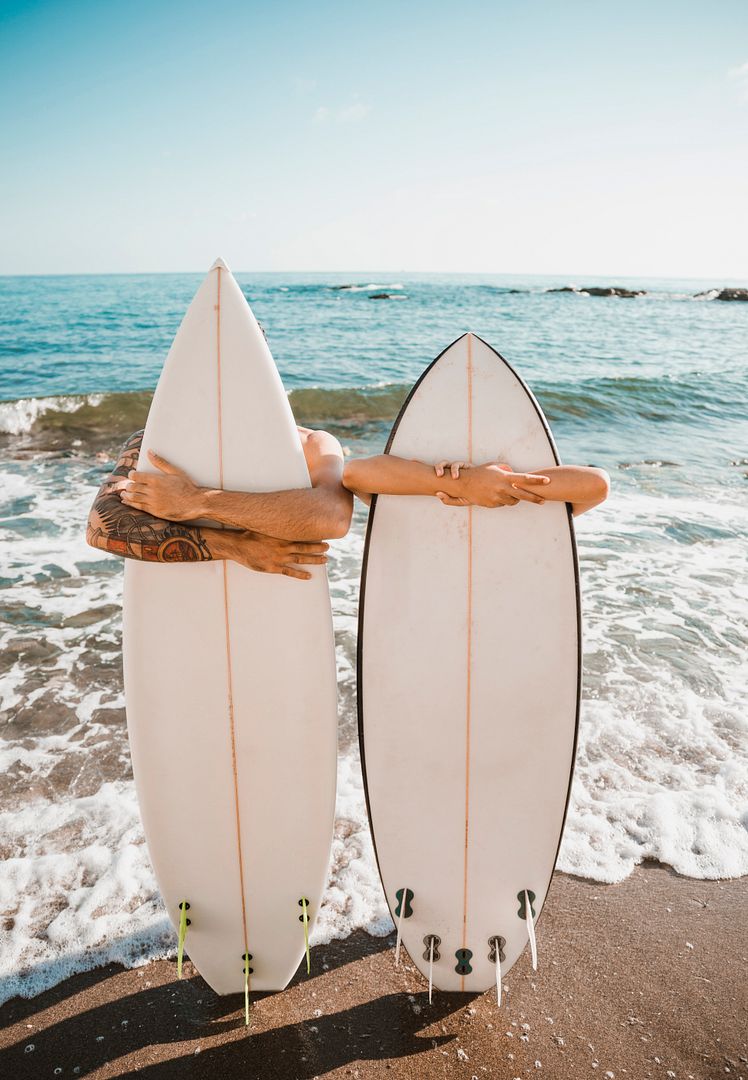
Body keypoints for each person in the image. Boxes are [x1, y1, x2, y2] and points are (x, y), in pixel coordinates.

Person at [86, 426, 352, 578]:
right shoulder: (152, 441)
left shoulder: (312, 443)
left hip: (283, 596)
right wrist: (236, 546)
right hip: (180, 598)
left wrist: (198, 501)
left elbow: (333, 516)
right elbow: (101, 527)